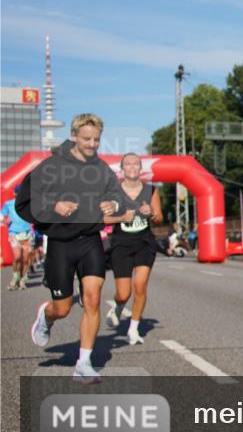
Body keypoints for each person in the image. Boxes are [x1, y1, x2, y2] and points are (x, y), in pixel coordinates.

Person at [16, 113, 128, 384]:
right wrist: (53, 207)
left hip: (90, 240)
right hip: (60, 244)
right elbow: (24, 202)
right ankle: (46, 316)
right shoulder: (51, 167)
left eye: (97, 140)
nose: (92, 144)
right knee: (63, 308)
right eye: (87, 139)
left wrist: (113, 205)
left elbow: (118, 198)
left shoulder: (101, 169)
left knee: (92, 298)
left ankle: (83, 364)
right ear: (74, 136)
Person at [106, 152, 163, 345]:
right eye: (128, 164)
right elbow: (103, 218)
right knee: (124, 293)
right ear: (122, 170)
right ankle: (117, 306)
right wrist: (121, 218)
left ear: (140, 169)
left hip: (144, 243)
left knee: (140, 286)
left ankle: (133, 328)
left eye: (136, 164)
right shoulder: (112, 192)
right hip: (121, 243)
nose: (132, 167)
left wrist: (151, 213)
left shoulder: (151, 190)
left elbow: (159, 218)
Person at [3, 185, 35, 291]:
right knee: (17, 257)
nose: (19, 195)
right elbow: (1, 215)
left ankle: (22, 280)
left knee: (26, 259)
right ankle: (15, 278)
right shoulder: (8, 204)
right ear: (15, 193)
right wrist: (4, 220)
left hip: (27, 233)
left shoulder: (29, 204)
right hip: (14, 234)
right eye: (18, 193)